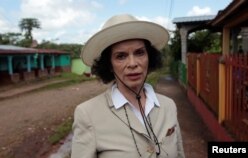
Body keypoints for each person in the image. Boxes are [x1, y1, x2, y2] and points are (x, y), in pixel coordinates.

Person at [71, 14, 185, 158]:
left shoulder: (168, 106)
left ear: (149, 57)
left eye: (139, 53)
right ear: (109, 65)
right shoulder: (87, 114)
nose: (132, 63)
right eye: (121, 56)